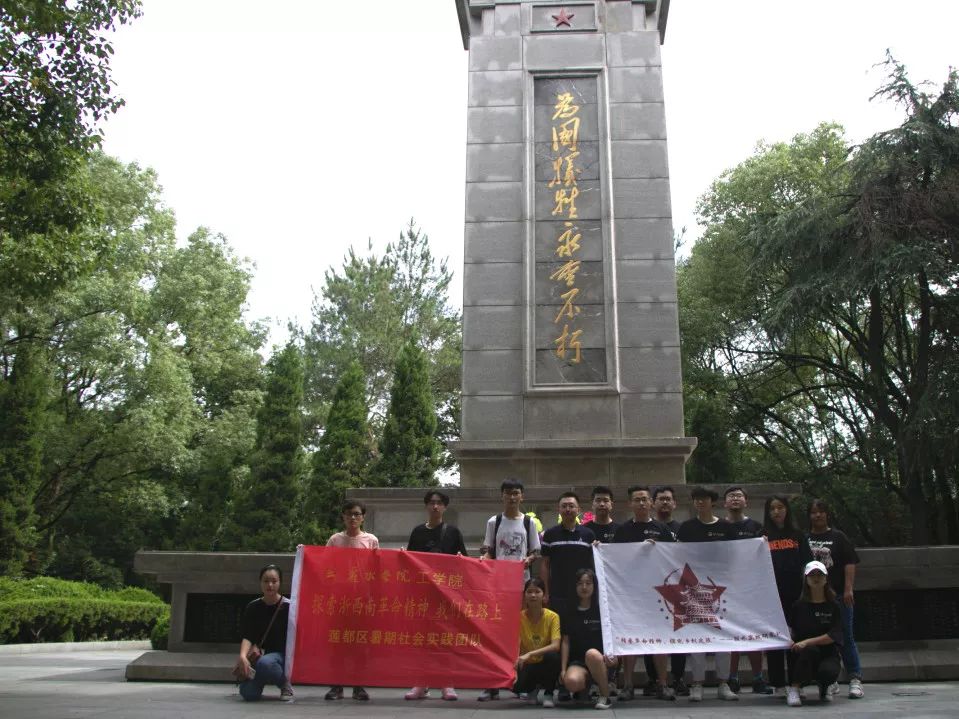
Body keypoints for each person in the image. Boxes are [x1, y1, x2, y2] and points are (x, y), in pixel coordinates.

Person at [478, 478, 541, 701]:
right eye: (508, 493)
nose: (512, 497)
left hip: (522, 584)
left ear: (522, 496)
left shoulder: (528, 523)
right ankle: (492, 683)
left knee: (520, 633)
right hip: (498, 585)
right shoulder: (494, 522)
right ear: (502, 496)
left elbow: (536, 551)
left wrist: (528, 560)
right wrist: (484, 559)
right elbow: (488, 549)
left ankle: (520, 681)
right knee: (495, 633)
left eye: (516, 493)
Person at [612, 486, 676, 702]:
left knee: (660, 640)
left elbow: (673, 559)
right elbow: (614, 560)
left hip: (658, 594)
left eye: (644, 499)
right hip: (630, 594)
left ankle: (663, 684)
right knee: (630, 639)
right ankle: (628, 685)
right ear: (630, 504)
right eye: (636, 500)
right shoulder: (622, 531)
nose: (641, 503)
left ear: (651, 503)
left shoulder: (662, 529)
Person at [404, 489, 467, 701]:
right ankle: (421, 682)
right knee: (423, 640)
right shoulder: (417, 532)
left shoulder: (452, 532)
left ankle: (446, 683)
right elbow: (411, 563)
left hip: (446, 596)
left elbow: (464, 563)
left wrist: (459, 559)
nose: (435, 506)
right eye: (431, 502)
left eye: (439, 502)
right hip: (424, 596)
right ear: (426, 506)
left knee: (445, 640)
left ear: (445, 507)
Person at [677, 486, 737, 702]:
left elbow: (735, 555)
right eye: (696, 499)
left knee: (723, 635)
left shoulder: (726, 527)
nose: (700, 503)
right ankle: (697, 683)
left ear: (713, 502)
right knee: (696, 637)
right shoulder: (686, 528)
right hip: (694, 589)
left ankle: (723, 682)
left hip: (721, 589)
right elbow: (676, 555)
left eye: (704, 499)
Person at [806, 498, 863, 699]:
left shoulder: (838, 537)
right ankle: (831, 680)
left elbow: (850, 563)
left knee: (846, 635)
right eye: (813, 512)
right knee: (823, 638)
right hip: (814, 598)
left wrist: (849, 589)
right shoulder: (805, 539)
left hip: (838, 594)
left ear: (827, 514)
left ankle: (855, 677)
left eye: (821, 511)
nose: (817, 515)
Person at [325, 500, 377, 701]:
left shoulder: (371, 540)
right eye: (348, 514)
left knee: (360, 645)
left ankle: (359, 686)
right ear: (343, 517)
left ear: (363, 517)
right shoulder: (335, 540)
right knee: (337, 643)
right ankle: (336, 686)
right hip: (339, 601)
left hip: (362, 601)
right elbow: (324, 566)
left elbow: (377, 570)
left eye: (356, 514)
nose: (352, 518)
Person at [723, 486, 773, 695]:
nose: (735, 499)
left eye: (738, 496)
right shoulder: (720, 527)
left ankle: (758, 678)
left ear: (746, 501)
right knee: (730, 634)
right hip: (726, 588)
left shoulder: (757, 527)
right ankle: (731, 678)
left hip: (752, 588)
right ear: (724, 503)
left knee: (753, 633)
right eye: (731, 496)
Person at [764, 494, 813, 697]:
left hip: (795, 595)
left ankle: (796, 681)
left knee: (795, 640)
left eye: (780, 507)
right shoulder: (762, 535)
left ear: (787, 510)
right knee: (775, 639)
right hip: (771, 595)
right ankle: (778, 684)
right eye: (773, 508)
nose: (777, 511)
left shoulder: (797, 535)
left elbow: (807, 564)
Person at [647, 485, 687, 696]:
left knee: (678, 633)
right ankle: (653, 679)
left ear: (674, 503)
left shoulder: (683, 528)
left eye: (668, 499)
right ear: (654, 503)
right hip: (651, 588)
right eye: (660, 499)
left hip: (677, 588)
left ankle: (678, 678)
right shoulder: (648, 528)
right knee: (650, 634)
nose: (664, 502)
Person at [785, 561, 843, 707]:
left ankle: (824, 687)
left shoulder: (834, 606)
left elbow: (833, 635)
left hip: (828, 653)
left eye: (820, 575)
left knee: (829, 670)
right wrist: (791, 640)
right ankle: (794, 688)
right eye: (812, 575)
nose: (816, 578)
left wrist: (808, 641)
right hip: (803, 653)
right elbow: (789, 629)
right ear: (806, 579)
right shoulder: (798, 606)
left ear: (826, 578)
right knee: (809, 651)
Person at [559, 568, 618, 710]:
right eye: (580, 583)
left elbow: (613, 635)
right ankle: (585, 689)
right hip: (579, 662)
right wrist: (563, 669)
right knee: (572, 682)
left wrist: (614, 655)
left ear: (594, 586)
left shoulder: (603, 610)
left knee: (591, 654)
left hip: (602, 659)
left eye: (588, 583)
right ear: (575, 587)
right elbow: (565, 642)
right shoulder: (568, 611)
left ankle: (605, 696)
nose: (584, 587)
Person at [235, 564, 293, 702]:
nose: (270, 585)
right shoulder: (253, 607)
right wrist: (243, 656)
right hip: (259, 656)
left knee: (266, 663)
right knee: (248, 694)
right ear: (260, 582)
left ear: (280, 582)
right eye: (266, 581)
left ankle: (285, 685)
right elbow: (247, 635)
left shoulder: (289, 607)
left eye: (274, 581)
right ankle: (262, 678)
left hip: (282, 656)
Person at [540, 492, 595, 620]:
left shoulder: (589, 534)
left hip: (583, 593)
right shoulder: (550, 534)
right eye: (564, 506)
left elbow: (594, 564)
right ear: (559, 509)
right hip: (558, 593)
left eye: (571, 506)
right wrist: (546, 592)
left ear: (578, 510)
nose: (567, 509)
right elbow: (545, 564)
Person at [514, 578, 562, 708]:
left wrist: (530, 654)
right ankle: (531, 690)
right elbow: (514, 643)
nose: (533, 595)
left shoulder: (553, 617)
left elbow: (556, 646)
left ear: (544, 595)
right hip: (526, 665)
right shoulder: (518, 617)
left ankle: (549, 693)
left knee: (553, 656)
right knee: (515, 686)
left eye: (537, 591)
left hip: (544, 663)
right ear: (524, 596)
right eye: (529, 592)